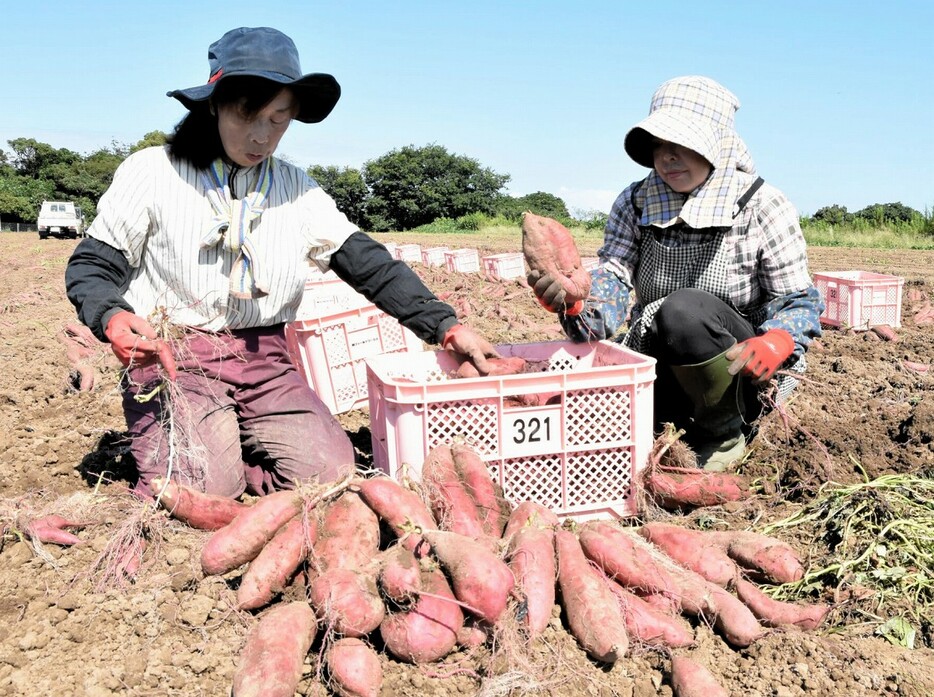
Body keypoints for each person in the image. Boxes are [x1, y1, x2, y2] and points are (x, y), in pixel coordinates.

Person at [65, 26, 499, 499]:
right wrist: (112, 315)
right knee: (204, 493)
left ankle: (233, 449)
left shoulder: (297, 188)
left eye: (278, 119)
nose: (261, 135)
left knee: (332, 475)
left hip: (265, 362)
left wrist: (445, 326)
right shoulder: (153, 171)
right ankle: (206, 458)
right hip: (178, 357)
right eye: (246, 114)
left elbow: (366, 262)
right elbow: (92, 266)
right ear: (213, 104)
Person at [529, 76, 823, 471]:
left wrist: (778, 340)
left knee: (683, 309)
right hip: (658, 353)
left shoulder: (762, 205)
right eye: (659, 145)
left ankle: (721, 435)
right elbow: (614, 279)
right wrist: (578, 302)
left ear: (716, 144)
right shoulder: (635, 201)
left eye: (682, 144)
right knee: (670, 320)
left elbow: (798, 299)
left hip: (740, 367)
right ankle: (668, 419)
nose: (667, 157)